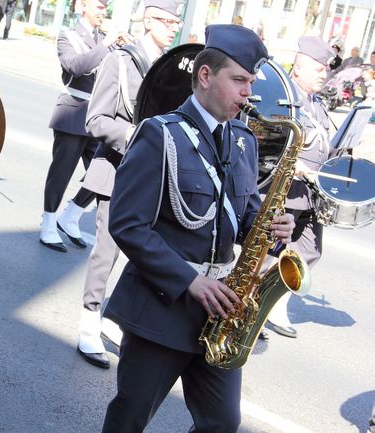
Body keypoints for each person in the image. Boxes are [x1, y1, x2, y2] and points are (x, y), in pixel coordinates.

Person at [100, 24, 295, 433]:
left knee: (222, 423)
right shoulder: (160, 134)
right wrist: (190, 281)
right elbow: (127, 225)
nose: (248, 92)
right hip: (162, 306)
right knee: (130, 418)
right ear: (205, 76)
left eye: (250, 82)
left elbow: (244, 220)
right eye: (238, 80)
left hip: (221, 311)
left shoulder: (244, 139)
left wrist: (273, 226)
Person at [76, 0, 183, 369]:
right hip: (118, 169)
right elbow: (96, 120)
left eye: (176, 21)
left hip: (155, 177)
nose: (172, 27)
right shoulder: (120, 61)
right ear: (149, 20)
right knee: (106, 253)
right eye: (167, 20)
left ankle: (113, 316)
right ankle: (89, 322)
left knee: (142, 254)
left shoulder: (173, 69)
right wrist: (136, 134)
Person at [263, 36, 335, 339]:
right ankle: (255, 307)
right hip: (287, 189)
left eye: (325, 69)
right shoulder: (284, 96)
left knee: (310, 250)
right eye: (318, 67)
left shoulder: (318, 104)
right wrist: (294, 166)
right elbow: (268, 141)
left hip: (311, 195)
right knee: (270, 253)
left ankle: (274, 302)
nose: (324, 73)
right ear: (300, 64)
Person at [40, 0, 122, 252]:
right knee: (61, 172)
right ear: (83, 6)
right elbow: (76, 66)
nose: (103, 11)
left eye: (104, 7)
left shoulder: (102, 38)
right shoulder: (69, 35)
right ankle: (48, 222)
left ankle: (72, 214)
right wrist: (106, 44)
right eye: (98, 6)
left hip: (99, 117)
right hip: (74, 112)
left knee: (103, 173)